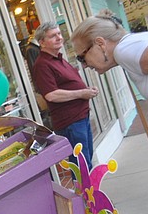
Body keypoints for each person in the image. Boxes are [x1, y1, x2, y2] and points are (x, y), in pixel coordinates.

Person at [72, 10, 148, 149]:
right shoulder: (133, 43)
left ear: (100, 43)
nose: (84, 65)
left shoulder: (126, 50)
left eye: (82, 57)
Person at [31, 21, 99, 166]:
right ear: (42, 42)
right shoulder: (42, 64)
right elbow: (51, 95)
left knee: (86, 161)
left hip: (81, 117)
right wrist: (82, 93)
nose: (59, 38)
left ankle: (89, 189)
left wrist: (86, 91)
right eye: (53, 36)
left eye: (59, 34)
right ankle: (85, 190)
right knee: (82, 165)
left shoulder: (59, 59)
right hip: (70, 122)